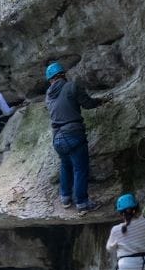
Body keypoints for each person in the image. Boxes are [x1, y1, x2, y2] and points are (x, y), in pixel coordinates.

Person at [45, 61, 105, 212]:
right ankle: (82, 204)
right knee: (80, 169)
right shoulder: (71, 86)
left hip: (57, 137)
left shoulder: (48, 95)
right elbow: (88, 103)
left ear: (50, 79)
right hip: (73, 133)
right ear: (63, 74)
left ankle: (65, 198)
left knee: (65, 165)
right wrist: (101, 101)